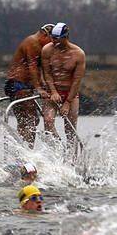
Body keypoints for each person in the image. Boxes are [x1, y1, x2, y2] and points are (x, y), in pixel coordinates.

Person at [4, 24, 54, 148]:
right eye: (51, 40)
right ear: (44, 35)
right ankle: (26, 153)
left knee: (30, 120)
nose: (52, 44)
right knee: (29, 120)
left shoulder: (41, 46)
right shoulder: (32, 42)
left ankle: (24, 151)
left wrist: (43, 84)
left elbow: (39, 69)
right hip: (17, 85)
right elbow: (32, 67)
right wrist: (39, 88)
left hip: (25, 85)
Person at [41, 23, 86, 155]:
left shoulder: (78, 54)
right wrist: (53, 92)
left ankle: (72, 160)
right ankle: (59, 152)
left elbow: (77, 80)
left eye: (56, 38)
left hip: (70, 94)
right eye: (52, 38)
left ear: (65, 37)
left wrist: (67, 102)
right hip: (52, 91)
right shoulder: (47, 50)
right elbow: (47, 73)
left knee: (70, 130)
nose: (53, 41)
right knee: (48, 121)